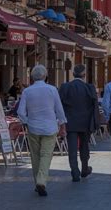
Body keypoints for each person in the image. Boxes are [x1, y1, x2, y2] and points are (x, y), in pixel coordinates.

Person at [17, 65, 67, 196]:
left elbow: (21, 112)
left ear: (32, 77)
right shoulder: (52, 90)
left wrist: (27, 121)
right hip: (50, 127)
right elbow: (59, 109)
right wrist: (62, 125)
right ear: (45, 76)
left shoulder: (27, 91)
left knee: (35, 156)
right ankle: (41, 181)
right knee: (46, 155)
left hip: (33, 127)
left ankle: (37, 182)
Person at [59, 65, 98, 182]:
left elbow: (59, 105)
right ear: (84, 75)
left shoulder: (65, 87)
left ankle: (75, 172)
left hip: (70, 122)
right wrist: (95, 123)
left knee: (72, 148)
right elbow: (94, 106)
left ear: (73, 74)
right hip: (85, 123)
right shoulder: (89, 88)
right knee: (84, 146)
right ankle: (84, 169)